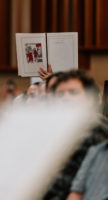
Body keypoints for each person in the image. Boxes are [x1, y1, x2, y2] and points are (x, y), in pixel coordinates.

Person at [42, 70, 108, 200]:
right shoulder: (51, 131)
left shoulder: (98, 128)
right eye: (60, 94)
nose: (66, 98)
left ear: (90, 99)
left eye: (73, 93)